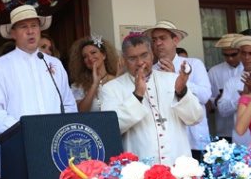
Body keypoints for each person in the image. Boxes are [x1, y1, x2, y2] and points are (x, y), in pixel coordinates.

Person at [0, 5, 76, 171]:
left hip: (55, 145)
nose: (30, 31)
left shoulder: (54, 63)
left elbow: (68, 104)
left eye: (34, 26)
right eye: (23, 27)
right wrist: (27, 132)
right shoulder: (0, 66)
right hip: (17, 145)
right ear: (13, 34)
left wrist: (62, 131)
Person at [100, 34, 203, 165]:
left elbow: (195, 118)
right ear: (124, 60)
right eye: (132, 58)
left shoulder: (172, 79)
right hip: (139, 168)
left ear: (152, 55)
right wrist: (137, 95)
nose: (140, 62)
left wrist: (181, 92)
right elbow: (111, 128)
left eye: (144, 55)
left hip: (177, 164)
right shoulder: (111, 88)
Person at [146, 21, 210, 159]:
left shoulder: (194, 64)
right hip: (168, 142)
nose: (158, 43)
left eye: (162, 38)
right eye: (154, 40)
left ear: (175, 40)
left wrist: (176, 77)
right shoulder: (151, 71)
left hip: (194, 138)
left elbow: (204, 96)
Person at [216, 35, 251, 147]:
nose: (246, 57)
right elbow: (222, 110)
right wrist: (243, 97)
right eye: (243, 53)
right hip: (241, 141)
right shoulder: (232, 81)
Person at [68, 35, 120, 113]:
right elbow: (80, 112)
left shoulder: (117, 80)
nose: (90, 58)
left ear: (104, 55)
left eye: (93, 53)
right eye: (85, 56)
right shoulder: (78, 86)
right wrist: (94, 85)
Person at [207, 34, 244, 141]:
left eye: (233, 54)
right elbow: (207, 98)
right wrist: (216, 101)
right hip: (224, 129)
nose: (230, 58)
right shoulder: (214, 72)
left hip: (247, 129)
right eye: (226, 55)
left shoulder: (250, 70)